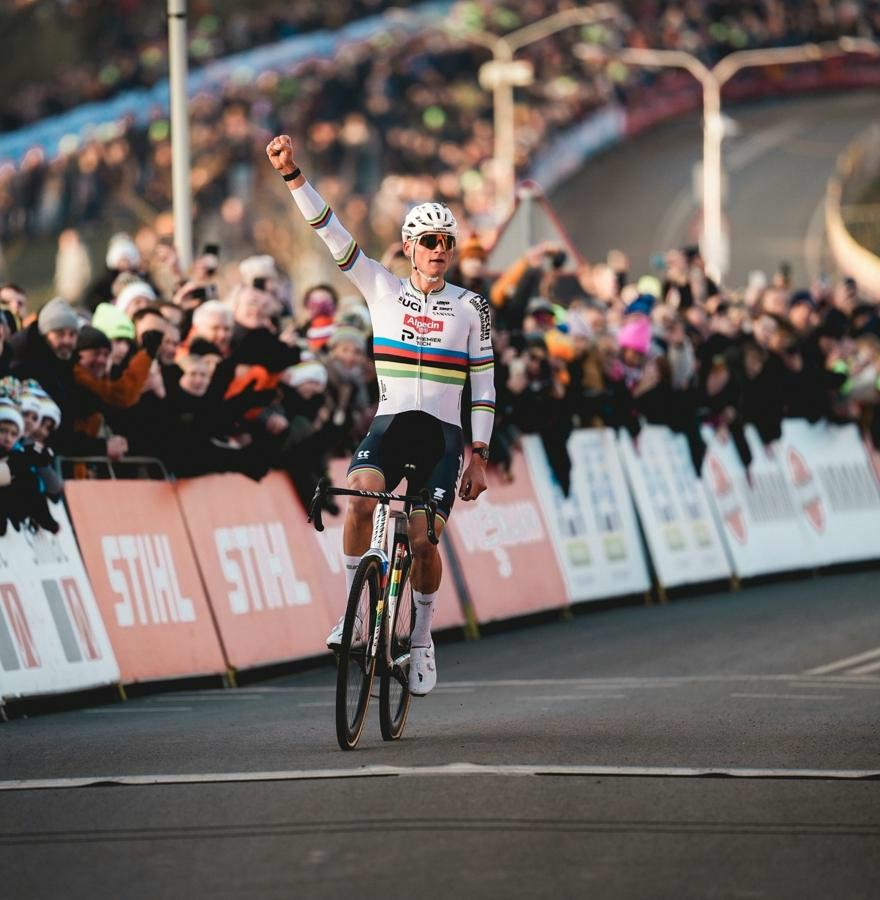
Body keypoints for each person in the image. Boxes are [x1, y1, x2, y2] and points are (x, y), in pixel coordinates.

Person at [267, 133, 495, 696]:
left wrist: (480, 455)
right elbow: (330, 232)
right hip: (391, 425)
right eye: (430, 241)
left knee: (422, 542)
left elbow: (484, 384)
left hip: (442, 437)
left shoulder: (472, 307)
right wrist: (293, 174)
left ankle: (420, 639)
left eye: (448, 241)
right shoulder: (380, 288)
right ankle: (356, 616)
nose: (440, 249)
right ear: (409, 246)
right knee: (360, 494)